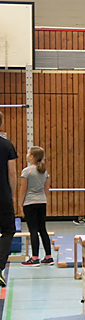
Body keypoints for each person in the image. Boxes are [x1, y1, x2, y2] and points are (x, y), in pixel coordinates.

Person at [19, 146, 53, 266]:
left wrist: (20, 204)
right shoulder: (44, 172)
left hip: (30, 203)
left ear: (32, 157)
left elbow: (23, 189)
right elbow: (46, 189)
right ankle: (48, 256)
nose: (27, 155)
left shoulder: (27, 171)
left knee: (33, 230)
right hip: (42, 202)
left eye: (28, 154)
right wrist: (43, 199)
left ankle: (35, 258)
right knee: (42, 229)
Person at [0, 111, 18, 288]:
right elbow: (12, 173)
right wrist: (12, 194)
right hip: (2, 194)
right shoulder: (7, 145)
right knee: (8, 230)